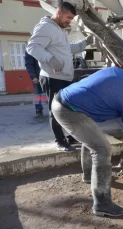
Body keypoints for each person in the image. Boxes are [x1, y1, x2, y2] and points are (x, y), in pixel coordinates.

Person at [52, 66, 123, 217]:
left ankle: (90, 176)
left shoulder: (122, 74)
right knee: (102, 149)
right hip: (69, 111)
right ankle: (102, 204)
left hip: (62, 100)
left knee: (91, 138)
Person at [26, 1, 93, 151]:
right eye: (68, 17)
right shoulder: (45, 27)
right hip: (52, 77)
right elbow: (32, 47)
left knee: (70, 110)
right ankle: (60, 142)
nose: (69, 21)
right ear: (59, 12)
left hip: (64, 77)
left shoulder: (59, 29)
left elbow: (66, 49)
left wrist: (85, 43)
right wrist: (49, 59)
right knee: (56, 110)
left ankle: (69, 138)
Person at [25, 50, 46, 117]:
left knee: (49, 93)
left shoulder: (45, 45)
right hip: (37, 76)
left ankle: (52, 109)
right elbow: (29, 64)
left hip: (48, 75)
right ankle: (38, 110)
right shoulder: (30, 49)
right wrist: (33, 77)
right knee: (38, 94)